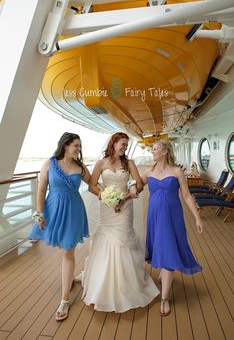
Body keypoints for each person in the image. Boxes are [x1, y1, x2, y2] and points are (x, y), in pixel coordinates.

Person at [75, 132, 160, 312]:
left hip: (125, 207)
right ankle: (102, 284)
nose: (124, 147)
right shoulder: (100, 163)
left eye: (127, 145)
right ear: (113, 143)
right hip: (106, 208)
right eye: (122, 144)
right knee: (105, 241)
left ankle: (127, 286)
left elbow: (139, 184)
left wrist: (126, 196)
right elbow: (91, 185)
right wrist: (104, 196)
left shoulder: (129, 164)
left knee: (123, 241)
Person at [29, 132, 90, 321]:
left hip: (73, 211)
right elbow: (40, 190)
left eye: (80, 146)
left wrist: (109, 195)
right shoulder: (49, 164)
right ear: (66, 146)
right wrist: (39, 213)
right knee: (63, 251)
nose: (79, 149)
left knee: (67, 252)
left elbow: (94, 185)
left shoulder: (80, 167)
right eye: (76, 146)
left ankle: (64, 300)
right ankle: (69, 279)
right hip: (54, 210)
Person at [142, 140, 204, 316]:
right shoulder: (149, 172)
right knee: (160, 247)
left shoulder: (177, 171)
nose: (152, 152)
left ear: (165, 152)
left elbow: (186, 195)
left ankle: (165, 298)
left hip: (172, 217)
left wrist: (197, 218)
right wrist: (119, 197)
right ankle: (164, 271)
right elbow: (136, 187)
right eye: (152, 149)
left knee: (168, 249)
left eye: (155, 149)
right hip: (154, 216)